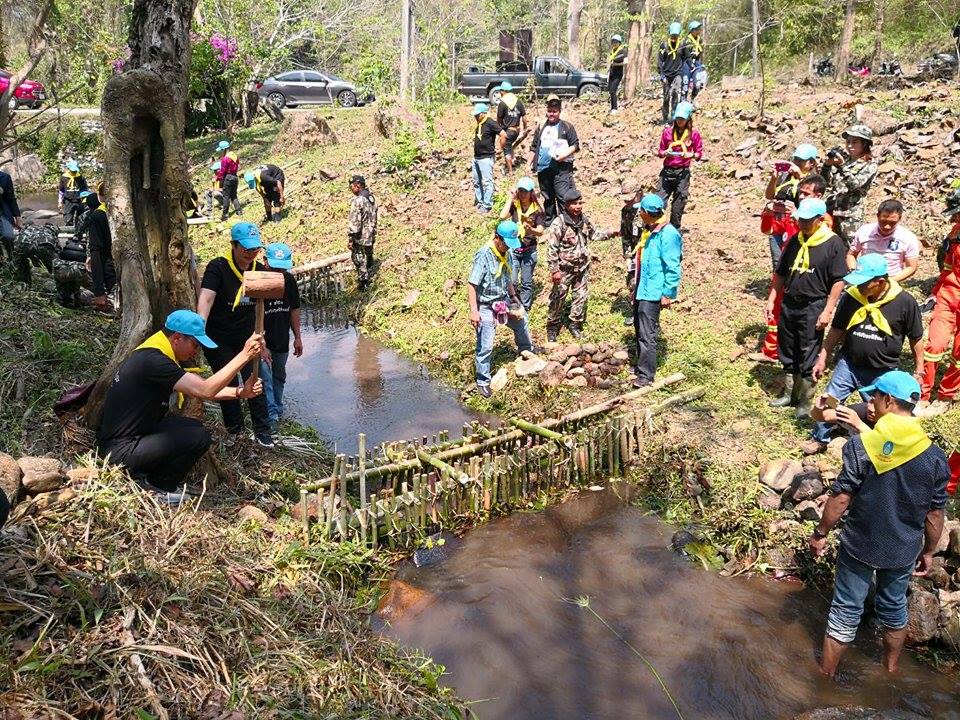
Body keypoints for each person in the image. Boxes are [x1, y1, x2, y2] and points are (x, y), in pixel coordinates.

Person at [808, 371, 949, 678]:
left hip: (860, 544)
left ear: (887, 400)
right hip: (902, 550)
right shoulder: (937, 458)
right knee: (894, 609)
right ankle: (890, 669)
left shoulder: (862, 446)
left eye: (874, 397)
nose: (870, 402)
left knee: (845, 611)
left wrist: (820, 533)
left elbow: (841, 498)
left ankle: (825, 677)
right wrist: (928, 552)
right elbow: (935, 515)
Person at [97, 310, 265, 495]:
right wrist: (244, 356)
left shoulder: (156, 353)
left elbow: (201, 388)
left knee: (190, 426)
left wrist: (241, 392)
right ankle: (159, 486)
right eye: (195, 344)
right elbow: (205, 389)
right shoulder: (154, 362)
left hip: (133, 436)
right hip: (120, 451)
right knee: (199, 437)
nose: (196, 351)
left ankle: (148, 475)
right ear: (177, 338)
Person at [802, 254, 924, 454]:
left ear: (880, 282)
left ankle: (879, 447)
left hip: (882, 372)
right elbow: (837, 329)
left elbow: (916, 338)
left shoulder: (904, 302)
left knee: (881, 412)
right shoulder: (852, 297)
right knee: (831, 399)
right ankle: (820, 437)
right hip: (849, 365)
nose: (858, 287)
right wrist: (823, 357)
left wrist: (919, 371)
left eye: (864, 283)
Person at [767, 197, 847, 418]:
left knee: (808, 351)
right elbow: (781, 272)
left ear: (820, 219)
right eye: (800, 219)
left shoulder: (832, 244)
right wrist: (772, 297)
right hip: (790, 302)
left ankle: (805, 400)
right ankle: (790, 394)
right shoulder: (796, 240)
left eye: (807, 221)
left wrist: (828, 309)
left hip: (814, 305)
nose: (801, 224)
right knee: (788, 347)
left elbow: (838, 280)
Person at [197, 222, 274, 447]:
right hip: (218, 337)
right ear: (234, 245)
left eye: (255, 249)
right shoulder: (218, 267)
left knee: (255, 379)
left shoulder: (258, 270)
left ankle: (262, 431)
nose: (251, 254)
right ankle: (235, 431)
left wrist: (263, 338)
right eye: (246, 249)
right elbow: (207, 297)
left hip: (247, 336)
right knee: (227, 380)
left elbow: (262, 308)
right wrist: (199, 327)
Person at [756, 174, 831, 363]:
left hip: (809, 279)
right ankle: (772, 351)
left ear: (819, 195)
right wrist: (767, 212)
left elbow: (817, 238)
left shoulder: (823, 219)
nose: (802, 197)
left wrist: (798, 215)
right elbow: (769, 230)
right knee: (776, 311)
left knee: (805, 321)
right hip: (787, 273)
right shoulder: (790, 215)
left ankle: (804, 358)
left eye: (807, 194)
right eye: (801, 193)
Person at [468, 220, 533, 398]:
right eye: (505, 243)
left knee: (522, 321)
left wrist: (513, 298)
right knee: (486, 343)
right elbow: (472, 285)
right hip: (486, 305)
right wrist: (474, 311)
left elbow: (507, 277)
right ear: (497, 238)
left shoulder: (508, 252)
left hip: (503, 299)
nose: (507, 247)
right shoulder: (484, 255)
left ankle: (526, 350)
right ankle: (483, 380)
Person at [631, 194, 683, 388]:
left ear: (646, 213)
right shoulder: (650, 230)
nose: (639, 213)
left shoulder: (668, 234)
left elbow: (673, 266)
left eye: (640, 210)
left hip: (653, 291)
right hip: (642, 288)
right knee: (639, 328)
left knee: (647, 333)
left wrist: (668, 293)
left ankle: (646, 376)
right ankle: (640, 366)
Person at [918, 191, 960, 416]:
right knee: (934, 345)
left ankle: (945, 395)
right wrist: (935, 293)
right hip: (948, 296)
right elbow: (947, 268)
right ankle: (923, 395)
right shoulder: (955, 233)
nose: (955, 220)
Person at [260, 243, 303, 429]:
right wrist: (262, 344)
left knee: (279, 376)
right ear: (265, 262)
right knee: (266, 379)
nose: (278, 271)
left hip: (282, 340)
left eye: (282, 268)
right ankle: (271, 417)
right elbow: (254, 315)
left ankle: (278, 408)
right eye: (274, 267)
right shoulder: (258, 281)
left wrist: (298, 338)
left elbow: (294, 309)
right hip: (262, 340)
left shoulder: (289, 281)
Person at [545, 189, 594, 342]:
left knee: (580, 297)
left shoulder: (584, 220)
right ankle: (553, 326)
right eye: (575, 204)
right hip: (564, 270)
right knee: (558, 298)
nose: (578, 206)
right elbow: (551, 248)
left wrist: (612, 233)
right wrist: (554, 270)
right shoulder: (559, 224)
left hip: (581, 268)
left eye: (580, 203)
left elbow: (594, 234)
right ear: (566, 205)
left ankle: (575, 324)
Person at [762, 144, 820, 270]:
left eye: (801, 160)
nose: (796, 163)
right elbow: (769, 195)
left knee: (795, 259)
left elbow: (811, 201)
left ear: (811, 163)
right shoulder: (785, 176)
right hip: (778, 222)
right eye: (795, 159)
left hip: (796, 224)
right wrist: (773, 179)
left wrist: (800, 176)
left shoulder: (814, 180)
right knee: (778, 260)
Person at [822, 125, 878, 245]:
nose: (850, 145)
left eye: (855, 142)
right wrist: (827, 166)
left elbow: (855, 185)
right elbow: (825, 183)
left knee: (850, 248)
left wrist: (842, 167)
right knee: (831, 248)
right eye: (848, 142)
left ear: (865, 144)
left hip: (850, 215)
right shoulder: (845, 161)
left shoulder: (869, 165)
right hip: (832, 211)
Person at [529, 95, 580, 225]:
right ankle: (550, 223)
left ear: (559, 111)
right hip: (543, 168)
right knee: (548, 197)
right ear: (547, 111)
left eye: (555, 111)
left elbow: (575, 145)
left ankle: (567, 223)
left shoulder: (566, 127)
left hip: (561, 169)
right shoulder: (541, 127)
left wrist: (563, 155)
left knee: (563, 196)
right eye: (550, 111)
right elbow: (534, 146)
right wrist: (529, 163)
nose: (552, 114)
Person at [499, 176, 545, 311]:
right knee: (512, 280)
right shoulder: (515, 205)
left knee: (526, 282)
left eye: (526, 191)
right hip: (514, 248)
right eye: (521, 190)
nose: (523, 194)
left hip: (529, 250)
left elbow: (541, 231)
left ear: (531, 192)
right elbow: (502, 216)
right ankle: (512, 302)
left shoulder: (537, 210)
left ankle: (525, 307)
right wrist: (510, 199)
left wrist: (532, 230)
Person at [847, 199, 920, 283]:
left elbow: (911, 267)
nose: (887, 227)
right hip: (863, 279)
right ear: (878, 216)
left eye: (892, 223)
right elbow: (851, 255)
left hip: (891, 280)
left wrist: (889, 282)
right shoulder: (864, 231)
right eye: (883, 222)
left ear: (900, 219)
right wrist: (854, 272)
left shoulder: (908, 238)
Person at [656, 101, 703, 231]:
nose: (679, 121)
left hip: (682, 173)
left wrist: (690, 155)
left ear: (688, 118)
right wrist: (664, 153)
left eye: (682, 119)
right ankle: (655, 227)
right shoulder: (667, 133)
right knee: (659, 201)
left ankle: (674, 229)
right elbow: (660, 151)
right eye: (677, 118)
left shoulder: (694, 134)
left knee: (679, 203)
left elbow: (699, 154)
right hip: (667, 172)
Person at [85, 192, 117, 311]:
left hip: (113, 274)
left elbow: (96, 252)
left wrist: (99, 292)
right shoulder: (101, 215)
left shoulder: (98, 216)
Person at [471, 103, 504, 214]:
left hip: (486, 157)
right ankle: (480, 201)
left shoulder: (490, 122)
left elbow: (503, 134)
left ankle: (487, 204)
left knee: (487, 182)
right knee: (476, 181)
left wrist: (500, 148)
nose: (475, 117)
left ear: (483, 113)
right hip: (476, 157)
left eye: (477, 115)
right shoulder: (479, 124)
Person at [347, 175, 379, 290]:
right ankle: (371, 272)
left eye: (352, 186)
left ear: (358, 185)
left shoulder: (358, 201)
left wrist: (351, 238)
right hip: (371, 234)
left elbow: (355, 222)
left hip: (361, 236)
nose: (351, 189)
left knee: (358, 258)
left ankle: (363, 282)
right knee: (368, 256)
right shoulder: (372, 198)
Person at [658, 22, 689, 125]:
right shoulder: (664, 45)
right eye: (672, 35)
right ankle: (665, 118)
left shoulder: (683, 45)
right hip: (666, 74)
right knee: (666, 96)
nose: (674, 37)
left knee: (675, 95)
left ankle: (673, 117)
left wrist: (692, 69)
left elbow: (687, 58)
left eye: (676, 35)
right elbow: (659, 60)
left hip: (678, 74)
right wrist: (661, 74)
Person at [496, 82, 527, 174]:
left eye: (501, 91)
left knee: (506, 151)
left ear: (504, 91)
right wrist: (524, 129)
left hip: (508, 131)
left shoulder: (502, 103)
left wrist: (500, 130)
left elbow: (499, 119)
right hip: (516, 130)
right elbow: (524, 118)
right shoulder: (518, 101)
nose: (500, 93)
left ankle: (510, 172)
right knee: (509, 146)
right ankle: (511, 162)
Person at [216, 140, 242, 221]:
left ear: (224, 149)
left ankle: (225, 215)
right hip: (235, 177)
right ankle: (239, 211)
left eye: (220, 150)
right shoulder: (235, 156)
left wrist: (217, 178)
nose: (220, 152)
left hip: (228, 178)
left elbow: (223, 171)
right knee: (234, 195)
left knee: (226, 196)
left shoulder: (225, 159)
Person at [58, 160, 89, 226]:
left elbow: (85, 189)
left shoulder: (80, 177)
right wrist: (60, 202)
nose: (74, 172)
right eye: (72, 171)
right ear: (68, 169)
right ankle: (69, 232)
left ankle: (79, 233)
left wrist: (85, 200)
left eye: (75, 171)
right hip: (68, 201)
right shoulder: (64, 177)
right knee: (68, 218)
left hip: (79, 200)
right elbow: (61, 190)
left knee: (82, 218)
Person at [0, 168, 21, 262]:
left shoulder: (4, 177)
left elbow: (11, 199)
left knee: (8, 236)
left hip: (3, 213)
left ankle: (13, 261)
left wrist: (18, 217)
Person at [683, 21, 706, 102]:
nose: (698, 31)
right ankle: (683, 101)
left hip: (697, 63)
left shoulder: (700, 40)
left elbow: (701, 53)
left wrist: (701, 65)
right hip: (687, 64)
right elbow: (685, 55)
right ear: (692, 30)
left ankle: (693, 99)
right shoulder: (687, 41)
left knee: (698, 84)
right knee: (685, 84)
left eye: (699, 29)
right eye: (696, 29)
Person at [607, 34, 628, 114]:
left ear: (619, 43)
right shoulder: (612, 51)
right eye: (613, 41)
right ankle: (612, 108)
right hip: (612, 73)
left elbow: (626, 62)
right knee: (610, 90)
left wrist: (616, 64)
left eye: (616, 42)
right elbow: (610, 62)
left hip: (618, 74)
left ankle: (615, 109)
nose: (614, 43)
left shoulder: (623, 51)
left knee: (613, 90)